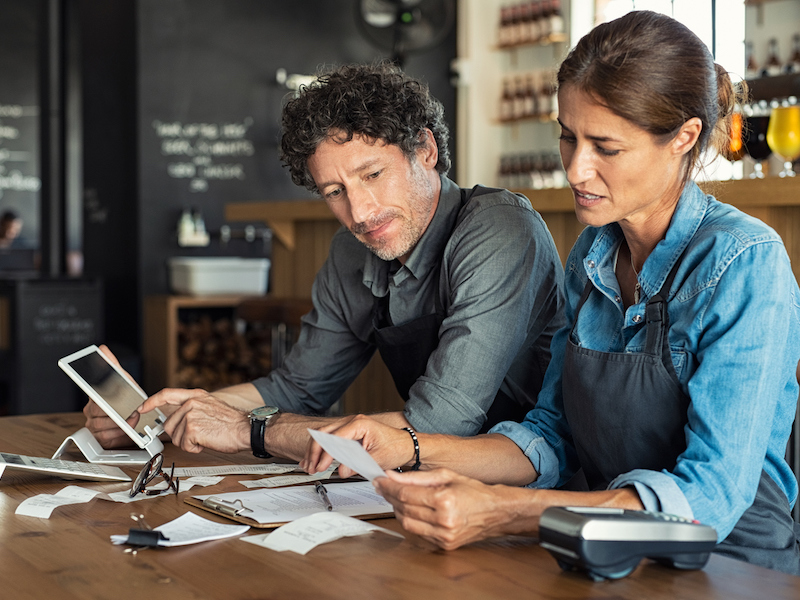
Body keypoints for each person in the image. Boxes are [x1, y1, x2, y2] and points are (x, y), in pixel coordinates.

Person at [303, 12, 800, 575]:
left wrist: (507, 512)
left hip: (730, 570)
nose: (576, 168)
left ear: (683, 137)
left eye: (605, 147)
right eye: (568, 136)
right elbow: (550, 435)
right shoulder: (592, 255)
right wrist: (408, 447)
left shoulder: (744, 262)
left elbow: (710, 496)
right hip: (603, 552)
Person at [84, 62, 565, 461]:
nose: (360, 213)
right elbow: (297, 387)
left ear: (425, 150)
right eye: (335, 192)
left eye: (373, 174)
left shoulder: (500, 231)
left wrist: (250, 431)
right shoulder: (352, 251)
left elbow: (438, 424)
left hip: (535, 483)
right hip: (432, 486)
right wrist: (160, 414)